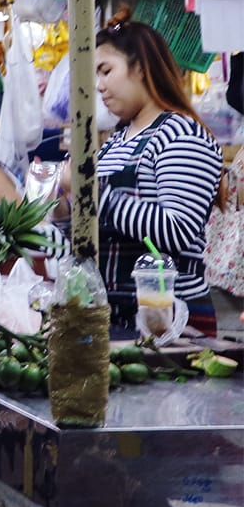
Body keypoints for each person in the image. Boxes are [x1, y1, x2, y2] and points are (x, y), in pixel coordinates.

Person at [89, 19, 224, 336]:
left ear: (141, 68)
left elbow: (176, 231)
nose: (98, 85)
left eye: (106, 71)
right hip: (117, 320)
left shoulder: (181, 136)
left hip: (172, 323)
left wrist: (92, 193)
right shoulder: (117, 140)